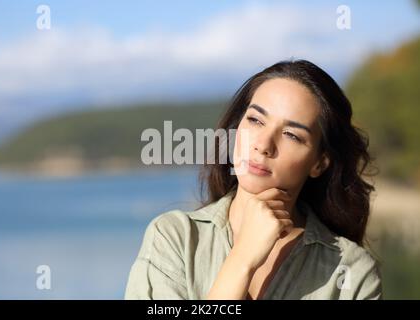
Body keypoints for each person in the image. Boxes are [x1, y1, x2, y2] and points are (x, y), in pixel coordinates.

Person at [124, 59, 382, 300]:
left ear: (319, 163)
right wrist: (242, 259)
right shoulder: (174, 238)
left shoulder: (352, 272)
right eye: (256, 120)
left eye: (291, 135)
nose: (263, 144)